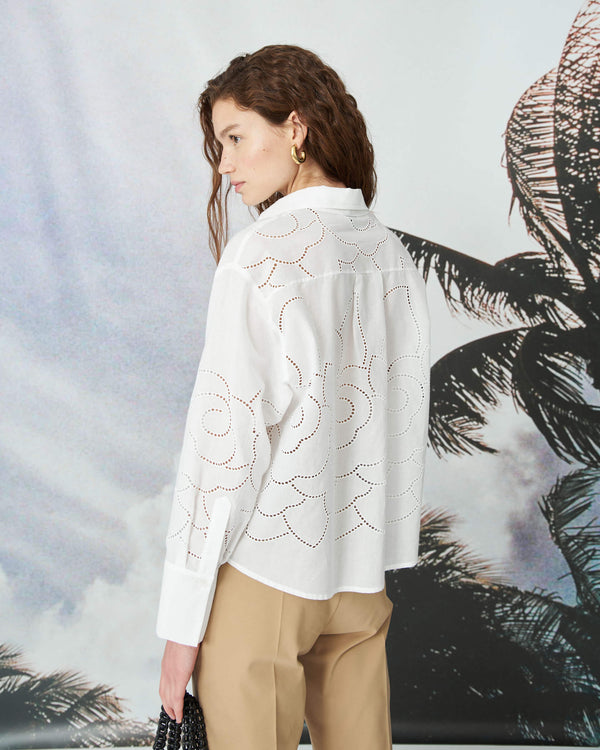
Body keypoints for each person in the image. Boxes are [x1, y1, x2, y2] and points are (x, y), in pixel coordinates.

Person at [157, 44, 430, 750]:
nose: (225, 165)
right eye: (219, 146)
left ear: (296, 127)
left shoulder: (261, 255)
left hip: (266, 577)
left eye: (236, 137)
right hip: (359, 582)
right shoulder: (389, 253)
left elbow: (224, 449)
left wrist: (182, 627)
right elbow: (401, 420)